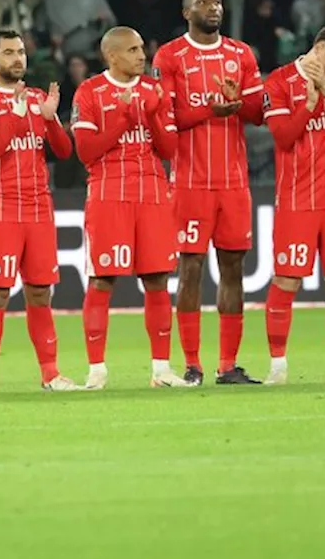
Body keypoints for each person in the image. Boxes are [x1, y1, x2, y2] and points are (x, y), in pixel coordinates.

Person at [154, 0, 265, 386]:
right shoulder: (169, 56)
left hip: (234, 183)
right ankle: (192, 364)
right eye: (203, 3)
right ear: (187, 12)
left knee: (233, 269)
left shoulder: (241, 54)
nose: (213, 8)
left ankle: (227, 365)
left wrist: (241, 101)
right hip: (190, 182)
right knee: (191, 269)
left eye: (217, 2)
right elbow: (167, 116)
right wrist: (208, 109)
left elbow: (258, 113)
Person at [71, 26, 191, 389]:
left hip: (153, 193)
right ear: (112, 56)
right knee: (102, 280)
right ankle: (96, 371)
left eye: (142, 48)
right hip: (109, 194)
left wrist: (152, 116)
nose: (142, 55)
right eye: (134, 50)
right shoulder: (90, 91)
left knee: (157, 279)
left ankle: (161, 370)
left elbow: (170, 150)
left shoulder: (154, 90)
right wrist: (124, 117)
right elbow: (86, 152)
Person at [0, 29, 80, 393]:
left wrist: (48, 118)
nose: (18, 59)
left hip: (39, 208)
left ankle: (51, 374)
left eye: (21, 52)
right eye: (9, 52)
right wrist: (14, 116)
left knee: (40, 294)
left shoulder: (39, 98)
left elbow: (62, 151)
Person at [261, 23, 325, 385]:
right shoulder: (277, 81)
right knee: (286, 281)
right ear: (318, 48)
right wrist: (307, 106)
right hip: (296, 199)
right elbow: (283, 138)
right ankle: (277, 367)